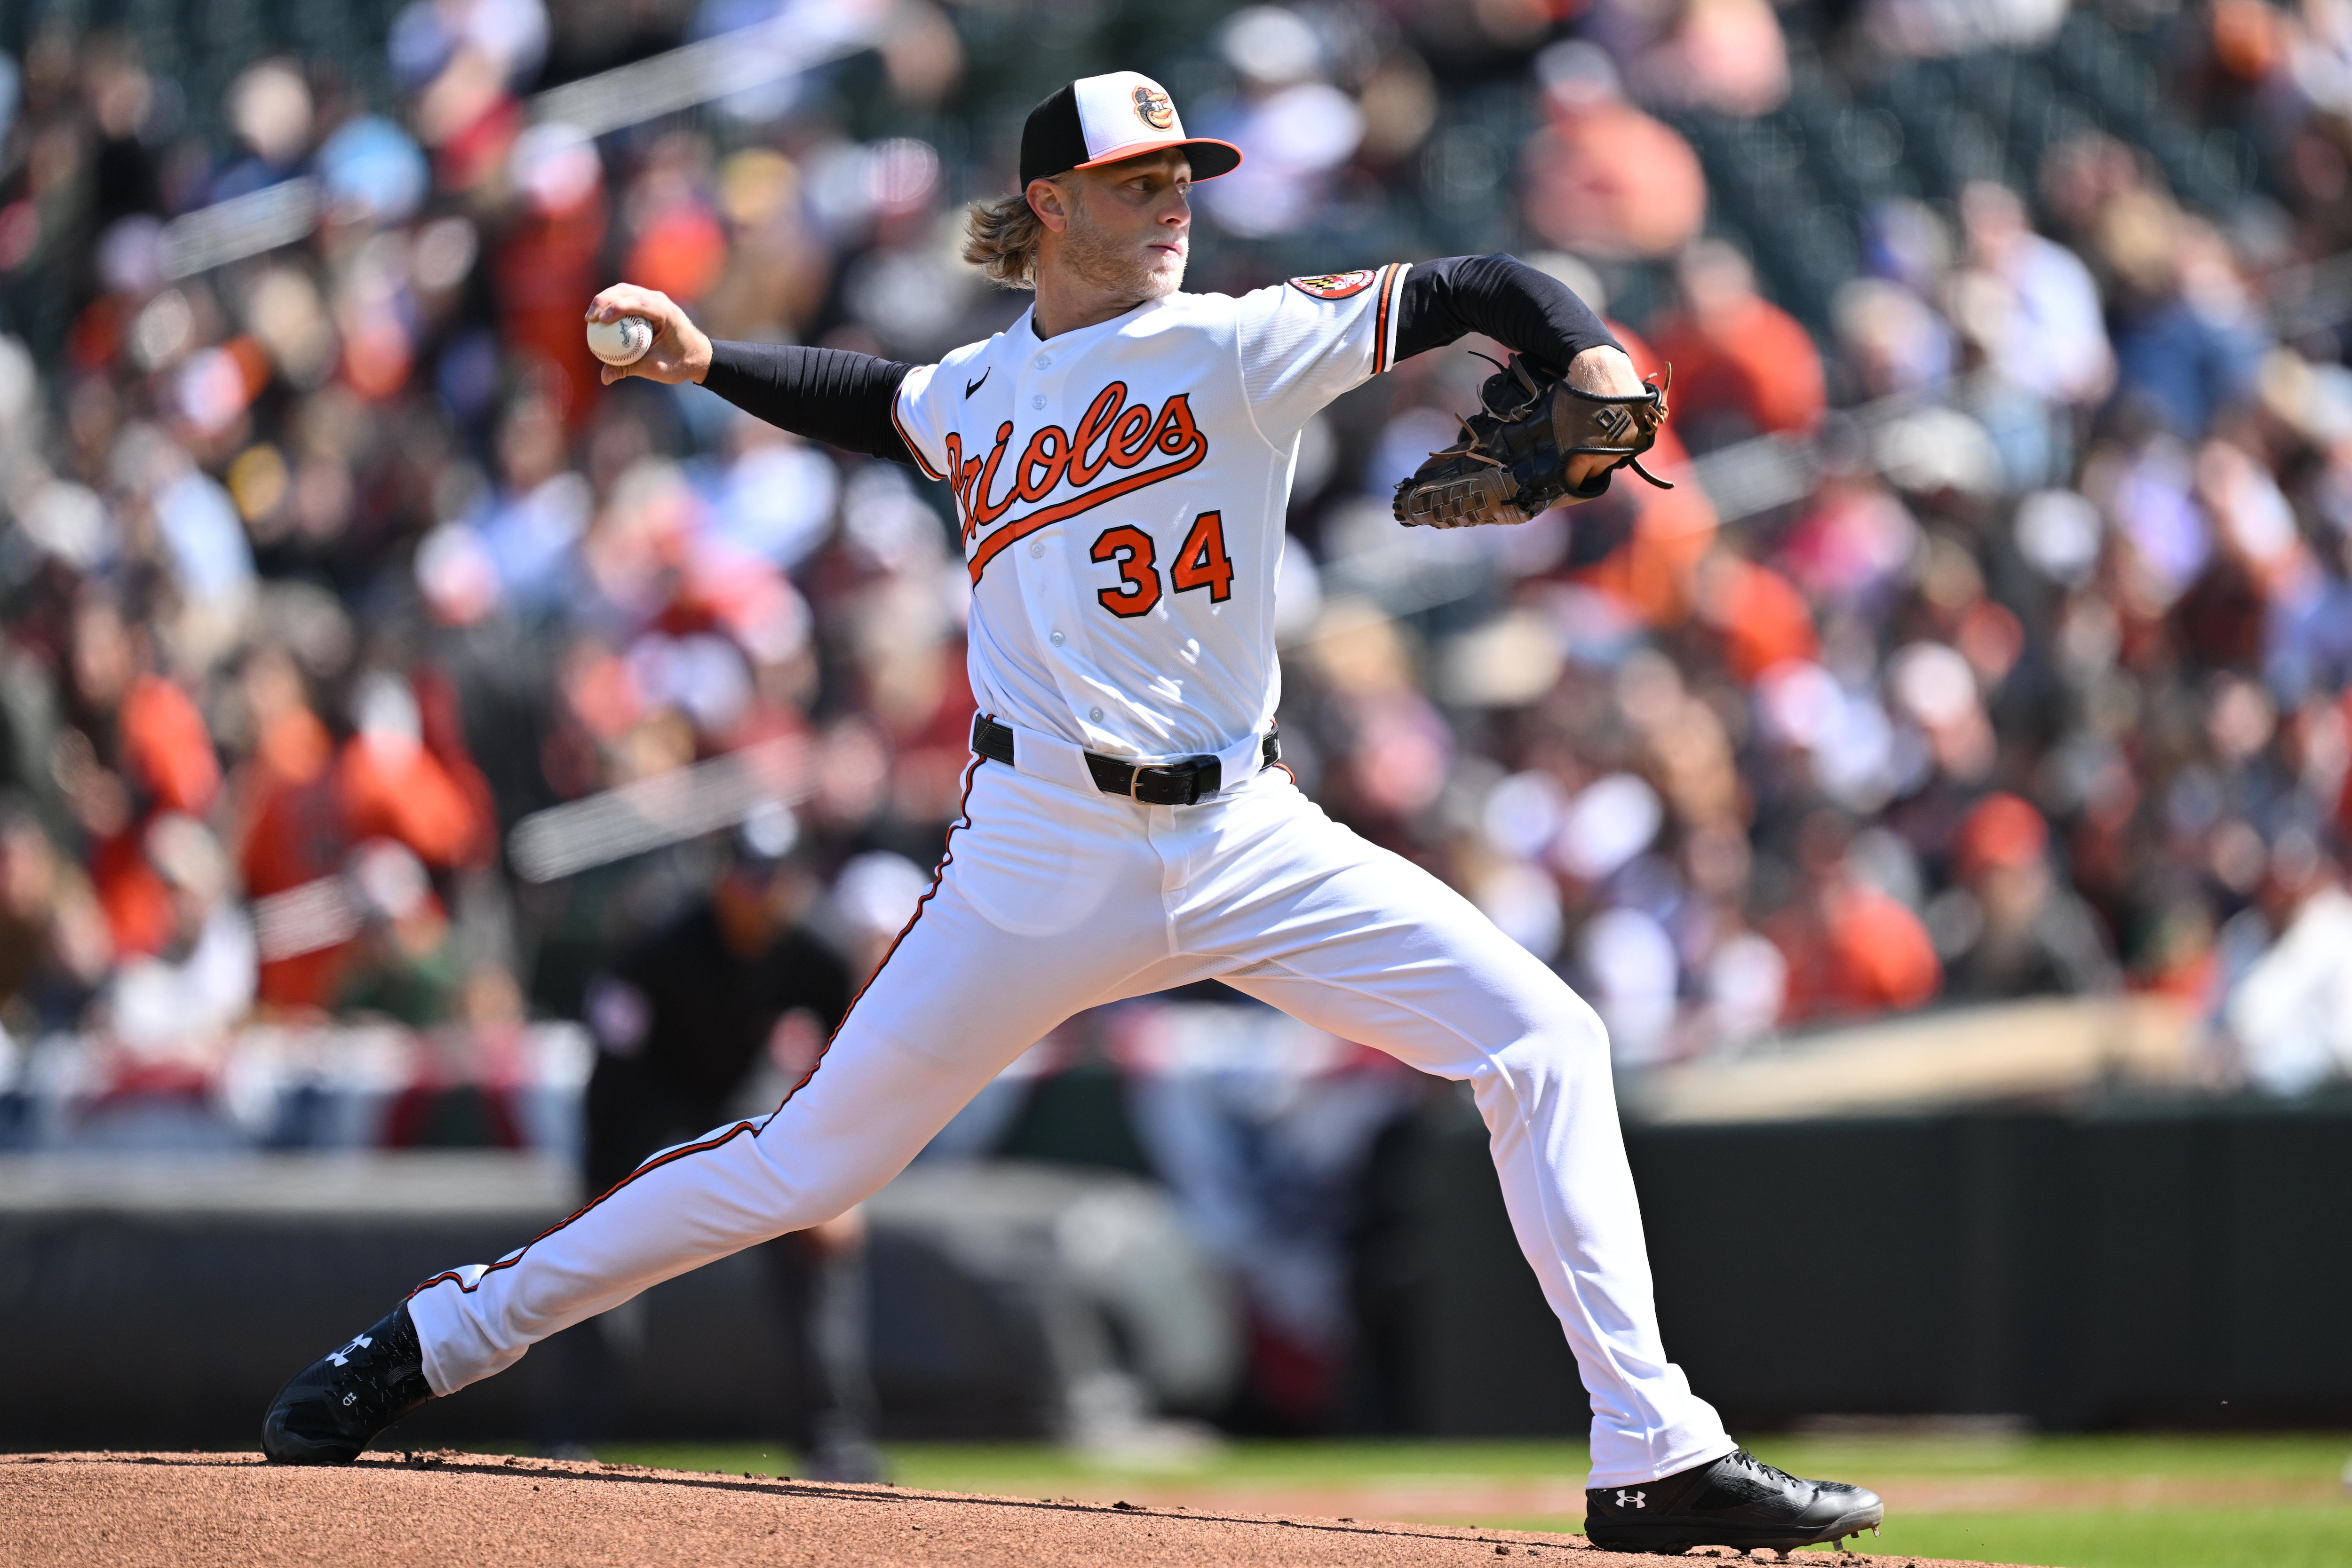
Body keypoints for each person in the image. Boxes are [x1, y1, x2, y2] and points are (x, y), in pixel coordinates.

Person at [261, 71, 1881, 1556]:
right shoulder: (977, 387)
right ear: (1049, 206)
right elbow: (874, 398)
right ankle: (442, 1336)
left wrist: (1587, 350)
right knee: (805, 1168)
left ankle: (1654, 1449)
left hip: (1248, 835)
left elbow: (1470, 291)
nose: (1176, 201)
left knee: (1544, 1042)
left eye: (1185, 175)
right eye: (1137, 180)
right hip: (1036, 853)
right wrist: (707, 362)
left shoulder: (1238, 340)